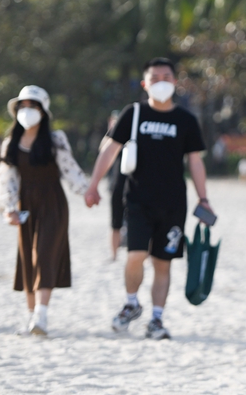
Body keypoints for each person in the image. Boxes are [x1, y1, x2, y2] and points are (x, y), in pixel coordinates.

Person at [83, 58, 212, 340]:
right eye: (155, 78)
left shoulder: (186, 120)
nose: (161, 82)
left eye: (166, 77)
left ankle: (156, 319)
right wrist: (93, 185)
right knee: (135, 256)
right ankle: (131, 303)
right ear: (145, 84)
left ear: (175, 82)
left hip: (174, 204)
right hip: (137, 200)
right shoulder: (133, 114)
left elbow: (195, 161)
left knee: (162, 263)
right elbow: (110, 150)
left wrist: (203, 198)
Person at [0, 85, 90, 336]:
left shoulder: (55, 139)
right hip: (25, 204)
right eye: (23, 106)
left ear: (43, 111)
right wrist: (8, 208)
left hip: (53, 202)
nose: (27, 110)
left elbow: (70, 169)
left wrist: (87, 191)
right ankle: (31, 317)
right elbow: (6, 178)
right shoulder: (11, 143)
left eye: (33, 106)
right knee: (28, 257)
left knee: (44, 253)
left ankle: (42, 314)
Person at [103, 111, 128, 261]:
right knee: (115, 223)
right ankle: (114, 255)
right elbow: (103, 150)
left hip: (135, 185)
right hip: (117, 184)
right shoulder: (113, 139)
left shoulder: (133, 135)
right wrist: (111, 132)